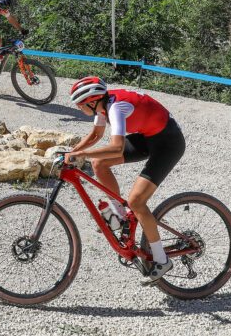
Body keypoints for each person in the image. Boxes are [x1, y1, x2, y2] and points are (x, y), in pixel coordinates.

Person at [64, 76, 187, 284]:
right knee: (99, 164)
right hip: (148, 137)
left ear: (92, 102)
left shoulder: (116, 108)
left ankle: (161, 259)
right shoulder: (103, 106)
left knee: (137, 201)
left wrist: (83, 154)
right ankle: (119, 213)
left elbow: (116, 148)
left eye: (80, 104)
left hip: (168, 143)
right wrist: (71, 152)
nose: (78, 107)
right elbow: (96, 134)